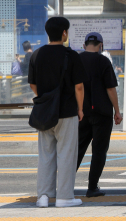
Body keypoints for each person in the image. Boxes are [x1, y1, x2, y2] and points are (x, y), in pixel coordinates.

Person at [29, 17, 86, 208]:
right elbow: (79, 87)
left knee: (46, 154)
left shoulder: (37, 54)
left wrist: (46, 100)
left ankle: (43, 197)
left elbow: (32, 84)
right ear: (64, 33)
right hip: (68, 112)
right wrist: (80, 108)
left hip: (45, 113)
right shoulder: (72, 56)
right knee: (66, 154)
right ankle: (64, 197)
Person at [76, 32, 122, 198]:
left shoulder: (77, 60)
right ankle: (92, 186)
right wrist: (117, 110)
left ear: (84, 45)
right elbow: (110, 88)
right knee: (99, 151)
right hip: (102, 113)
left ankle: (65, 185)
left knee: (77, 150)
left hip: (81, 113)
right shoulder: (104, 61)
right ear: (101, 45)